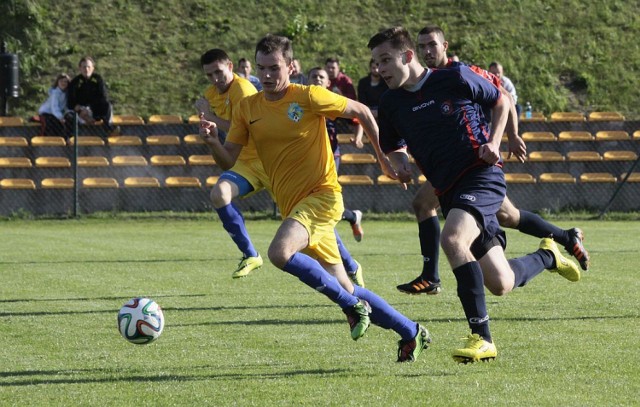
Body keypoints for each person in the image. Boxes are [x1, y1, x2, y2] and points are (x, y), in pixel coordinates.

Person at [200, 33, 430, 362]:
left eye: (274, 68)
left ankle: (352, 308)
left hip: (322, 197)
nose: (266, 75)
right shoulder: (247, 107)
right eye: (262, 68)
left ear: (291, 67)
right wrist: (212, 143)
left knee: (279, 253)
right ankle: (411, 332)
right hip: (294, 206)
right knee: (346, 287)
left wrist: (384, 161)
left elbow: (363, 111)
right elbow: (230, 160)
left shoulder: (308, 96)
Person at [369, 26, 581, 363]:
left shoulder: (454, 78)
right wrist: (400, 166)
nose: (379, 69)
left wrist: (496, 142)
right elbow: (393, 145)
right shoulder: (391, 102)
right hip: (448, 189)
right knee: (501, 282)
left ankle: (481, 338)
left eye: (385, 60)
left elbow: (501, 101)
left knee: (453, 239)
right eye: (375, 62)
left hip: (481, 175)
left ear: (407, 56)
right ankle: (549, 256)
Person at [394, 25, 590, 296]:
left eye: (432, 45)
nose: (428, 51)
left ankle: (431, 276)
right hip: (455, 165)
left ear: (445, 46)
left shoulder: (461, 72)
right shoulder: (420, 82)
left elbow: (504, 97)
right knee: (509, 216)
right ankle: (565, 239)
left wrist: (511, 135)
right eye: (423, 46)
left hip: (478, 160)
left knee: (423, 203)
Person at [193, 49, 267, 279]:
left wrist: (209, 117)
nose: (215, 79)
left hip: (272, 159)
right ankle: (250, 254)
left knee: (304, 225)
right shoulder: (210, 94)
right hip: (246, 162)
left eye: (219, 72)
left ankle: (350, 266)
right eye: (209, 75)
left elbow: (244, 127)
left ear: (231, 67)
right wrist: (210, 133)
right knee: (219, 194)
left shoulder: (243, 89)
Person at [308, 66, 365, 242]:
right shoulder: (300, 103)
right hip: (307, 159)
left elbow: (358, 116)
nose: (317, 79)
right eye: (314, 76)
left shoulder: (333, 102)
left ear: (328, 83)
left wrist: (358, 136)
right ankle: (352, 217)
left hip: (331, 157)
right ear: (307, 80)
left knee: (322, 201)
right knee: (316, 203)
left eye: (321, 77)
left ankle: (330, 246)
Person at [66, 56, 118, 135]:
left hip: (93, 109)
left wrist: (89, 108)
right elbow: (70, 102)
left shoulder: (98, 79)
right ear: (80, 68)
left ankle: (108, 129)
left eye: (88, 67)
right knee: (68, 116)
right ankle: (70, 138)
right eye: (84, 67)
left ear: (93, 68)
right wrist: (80, 111)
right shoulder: (75, 82)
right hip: (80, 111)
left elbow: (103, 97)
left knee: (107, 106)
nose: (86, 69)